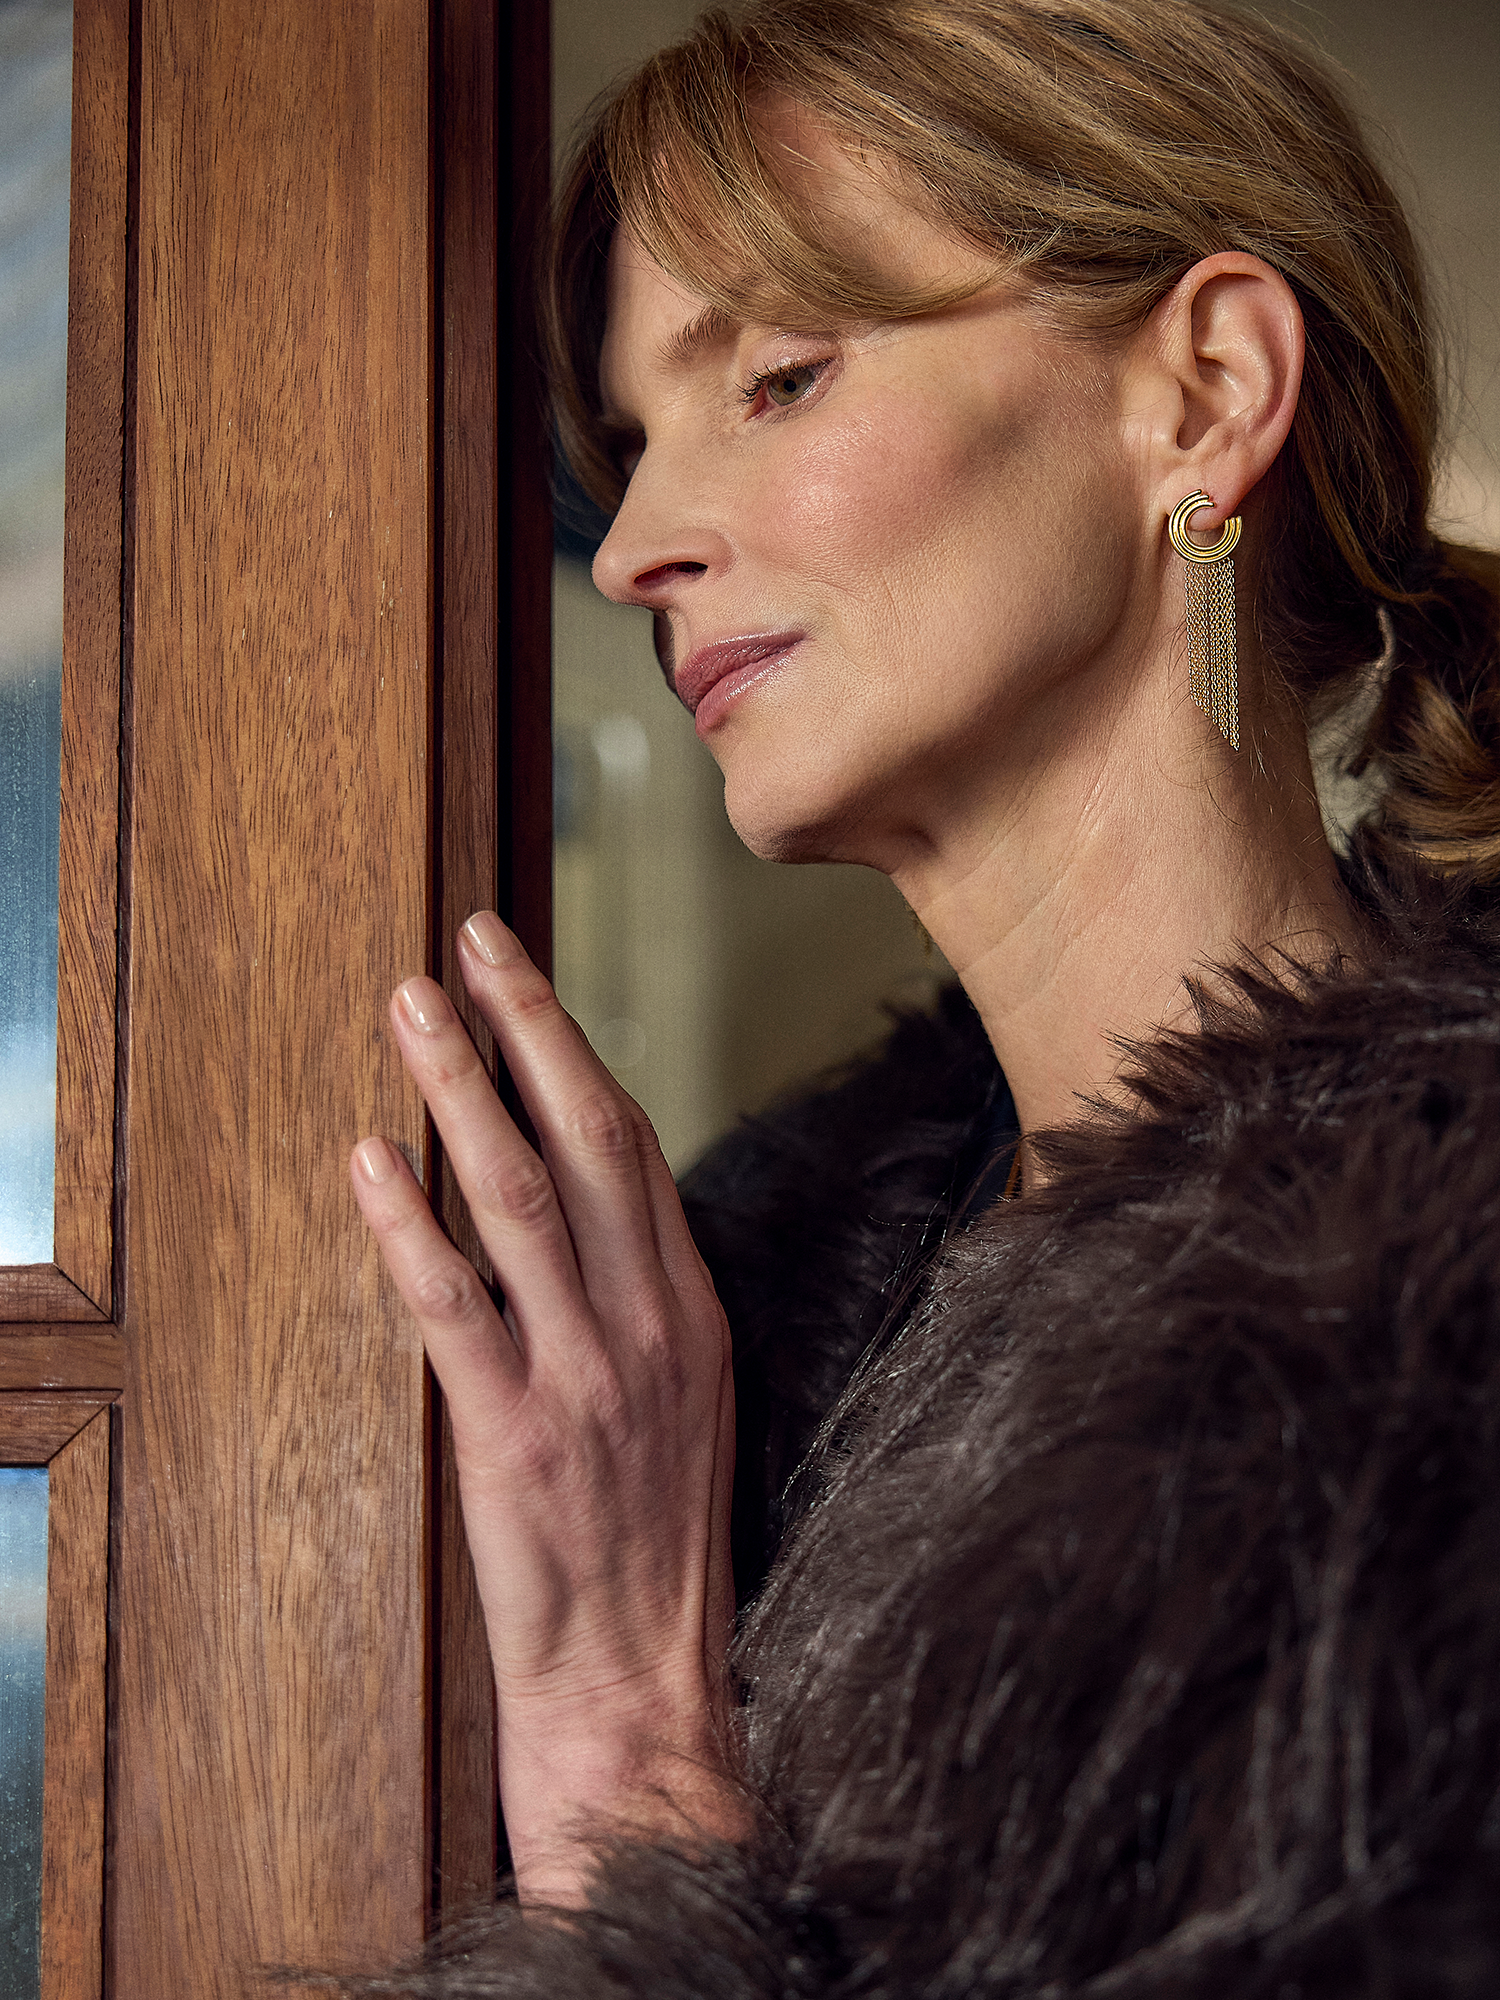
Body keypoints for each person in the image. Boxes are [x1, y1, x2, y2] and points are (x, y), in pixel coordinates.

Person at [347, 0, 1500, 1990]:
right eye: (627, 449)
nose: (630, 549)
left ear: (1206, 391)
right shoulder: (746, 1312)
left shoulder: (1440, 1350)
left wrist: (629, 1749)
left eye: (778, 379)